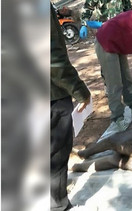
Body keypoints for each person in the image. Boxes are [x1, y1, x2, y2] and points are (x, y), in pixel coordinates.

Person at [51, 5, 91, 211]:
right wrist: (79, 90)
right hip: (50, 94)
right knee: (56, 151)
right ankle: (57, 204)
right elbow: (51, 59)